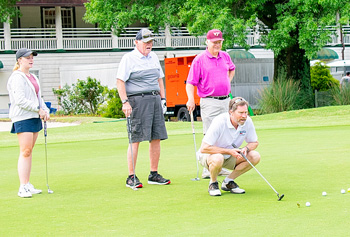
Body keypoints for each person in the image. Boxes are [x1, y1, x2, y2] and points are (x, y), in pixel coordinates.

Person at [117, 28, 170, 189]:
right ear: (137, 42)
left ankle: (153, 174)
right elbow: (120, 81)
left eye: (151, 42)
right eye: (146, 42)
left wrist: (163, 99)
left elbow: (159, 79)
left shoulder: (153, 57)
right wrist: (125, 102)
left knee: (156, 137)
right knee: (136, 138)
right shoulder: (129, 58)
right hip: (137, 101)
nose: (149, 44)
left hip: (154, 99)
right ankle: (131, 176)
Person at [186, 29, 236, 179]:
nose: (217, 44)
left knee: (225, 133)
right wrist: (190, 99)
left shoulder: (225, 56)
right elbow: (190, 82)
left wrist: (227, 81)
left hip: (226, 101)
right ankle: (208, 168)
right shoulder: (200, 60)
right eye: (214, 42)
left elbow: (232, 69)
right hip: (209, 101)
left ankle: (218, 166)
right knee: (210, 134)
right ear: (207, 42)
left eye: (219, 42)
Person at [7, 48, 50, 198]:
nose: (31, 60)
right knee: (25, 151)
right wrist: (38, 109)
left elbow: (38, 97)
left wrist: (44, 109)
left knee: (29, 151)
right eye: (27, 58)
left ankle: (27, 183)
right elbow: (20, 100)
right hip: (23, 117)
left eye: (32, 57)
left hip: (34, 116)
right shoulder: (17, 77)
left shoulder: (33, 77)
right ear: (19, 60)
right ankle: (22, 186)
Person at [197, 97, 260, 196]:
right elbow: (204, 148)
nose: (244, 116)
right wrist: (229, 151)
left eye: (246, 112)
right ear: (231, 112)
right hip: (210, 156)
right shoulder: (220, 121)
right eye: (240, 113)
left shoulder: (247, 121)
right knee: (218, 158)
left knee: (255, 156)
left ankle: (228, 182)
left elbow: (254, 142)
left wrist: (245, 149)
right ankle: (213, 183)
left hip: (231, 155)